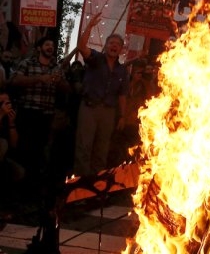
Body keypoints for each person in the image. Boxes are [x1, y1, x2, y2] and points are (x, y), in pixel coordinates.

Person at [74, 12, 129, 177]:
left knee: (102, 149)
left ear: (121, 49)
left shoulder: (122, 70)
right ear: (106, 46)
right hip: (89, 108)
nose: (114, 46)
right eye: (111, 43)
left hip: (108, 112)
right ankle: (80, 185)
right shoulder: (96, 58)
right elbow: (82, 46)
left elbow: (122, 95)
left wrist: (122, 116)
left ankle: (97, 184)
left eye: (117, 44)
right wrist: (90, 26)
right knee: (84, 146)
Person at [9, 36, 69, 182]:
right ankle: (20, 182)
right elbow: (15, 80)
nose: (50, 47)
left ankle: (34, 184)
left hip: (46, 115)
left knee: (40, 149)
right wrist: (39, 79)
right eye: (47, 44)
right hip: (28, 112)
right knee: (25, 148)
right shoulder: (27, 63)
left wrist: (59, 82)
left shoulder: (56, 68)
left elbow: (68, 88)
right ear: (39, 48)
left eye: (52, 45)